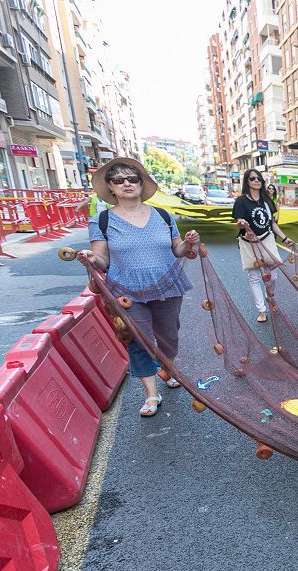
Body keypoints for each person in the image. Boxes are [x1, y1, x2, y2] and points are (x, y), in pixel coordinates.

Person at [78, 158, 199, 418]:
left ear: (142, 184)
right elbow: (102, 259)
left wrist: (188, 244)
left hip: (166, 285)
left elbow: (177, 249)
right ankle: (151, 393)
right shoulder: (101, 220)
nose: (127, 184)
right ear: (111, 187)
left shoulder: (163, 216)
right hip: (126, 290)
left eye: (132, 179)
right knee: (137, 338)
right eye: (119, 180)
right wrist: (90, 257)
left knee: (169, 335)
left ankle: (166, 367)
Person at [233, 169, 295, 323]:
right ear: (247, 181)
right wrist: (242, 224)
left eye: (258, 178)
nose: (256, 181)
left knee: (273, 275)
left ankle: (269, 295)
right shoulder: (241, 201)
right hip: (249, 243)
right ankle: (261, 310)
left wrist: (285, 238)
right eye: (252, 178)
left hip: (267, 239)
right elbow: (239, 221)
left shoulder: (266, 201)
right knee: (254, 277)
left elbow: (272, 223)